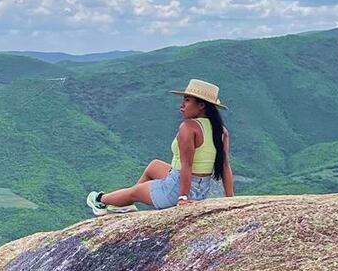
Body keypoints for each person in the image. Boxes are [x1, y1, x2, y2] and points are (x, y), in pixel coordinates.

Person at [86, 79, 234, 215]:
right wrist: (231, 200)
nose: (182, 105)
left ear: (201, 105)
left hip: (176, 189)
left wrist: (182, 197)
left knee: (134, 192)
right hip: (200, 190)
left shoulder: (189, 127)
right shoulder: (221, 130)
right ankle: (125, 204)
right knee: (154, 165)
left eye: (187, 100)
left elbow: (186, 165)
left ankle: (99, 199)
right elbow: (225, 166)